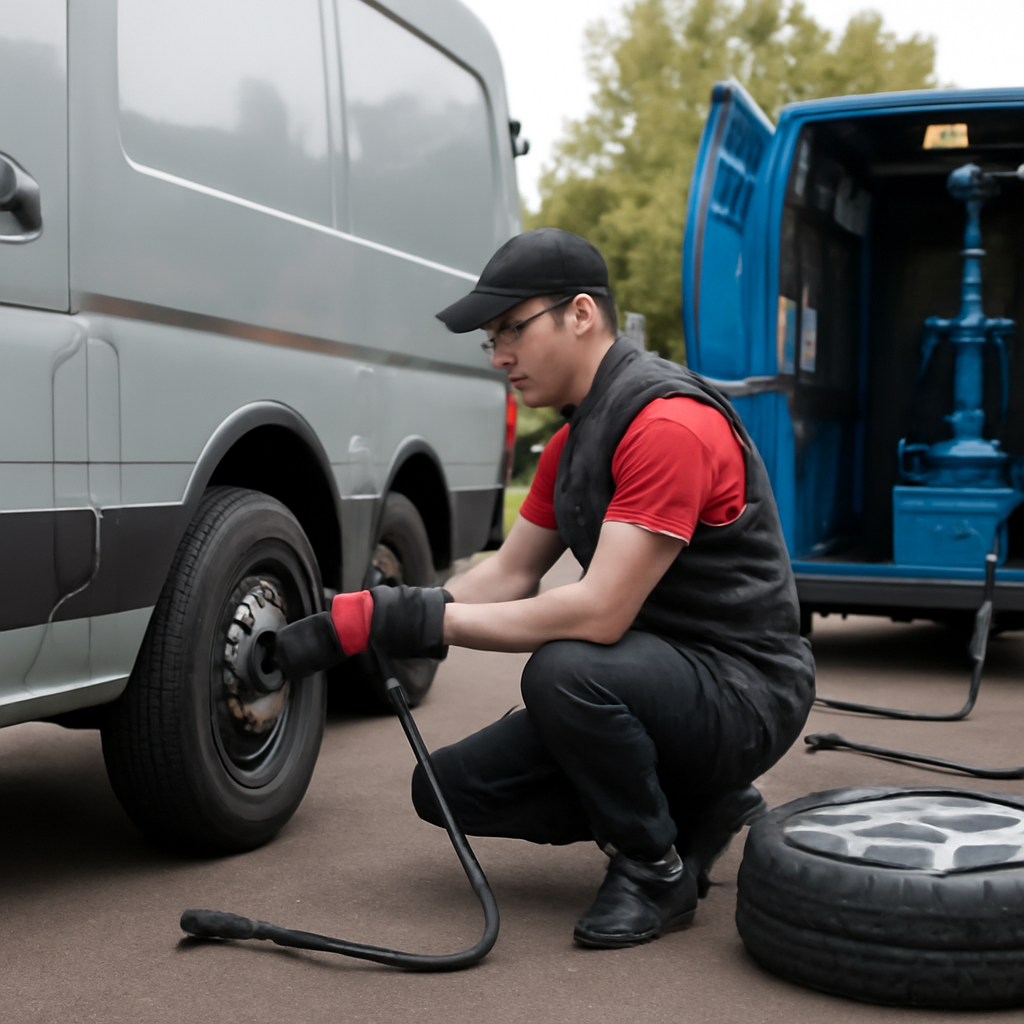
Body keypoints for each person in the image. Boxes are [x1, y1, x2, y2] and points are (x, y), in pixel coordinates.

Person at [273, 228, 816, 949]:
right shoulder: (573, 442)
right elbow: (510, 572)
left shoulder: (668, 423)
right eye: (489, 340)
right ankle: (701, 806)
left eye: (511, 331)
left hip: (744, 690)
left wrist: (423, 620)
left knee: (566, 671)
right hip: (653, 678)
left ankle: (654, 867)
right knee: (445, 790)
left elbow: (600, 611)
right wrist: (366, 617)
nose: (499, 357)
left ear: (582, 314)